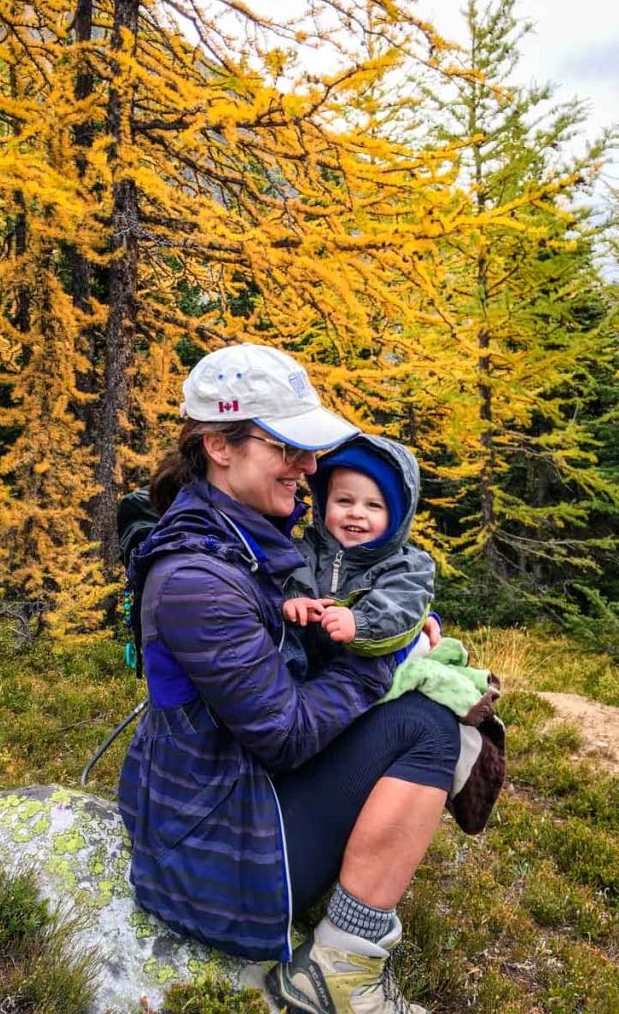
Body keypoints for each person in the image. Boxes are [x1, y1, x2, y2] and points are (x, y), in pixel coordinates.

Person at [117, 342, 461, 1014]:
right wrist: (384, 657)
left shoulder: (245, 535)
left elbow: (307, 636)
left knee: (426, 709)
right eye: (289, 448)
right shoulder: (197, 578)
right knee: (427, 729)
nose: (308, 468)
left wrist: (384, 621)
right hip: (216, 849)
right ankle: (339, 974)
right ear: (221, 446)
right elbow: (286, 735)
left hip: (222, 798)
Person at [283, 434, 436, 671]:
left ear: (396, 517)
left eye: (373, 505)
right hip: (311, 674)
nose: (356, 513)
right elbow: (284, 575)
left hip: (374, 676)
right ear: (324, 504)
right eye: (344, 501)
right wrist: (293, 599)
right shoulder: (304, 548)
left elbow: (400, 606)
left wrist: (359, 623)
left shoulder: (407, 566)